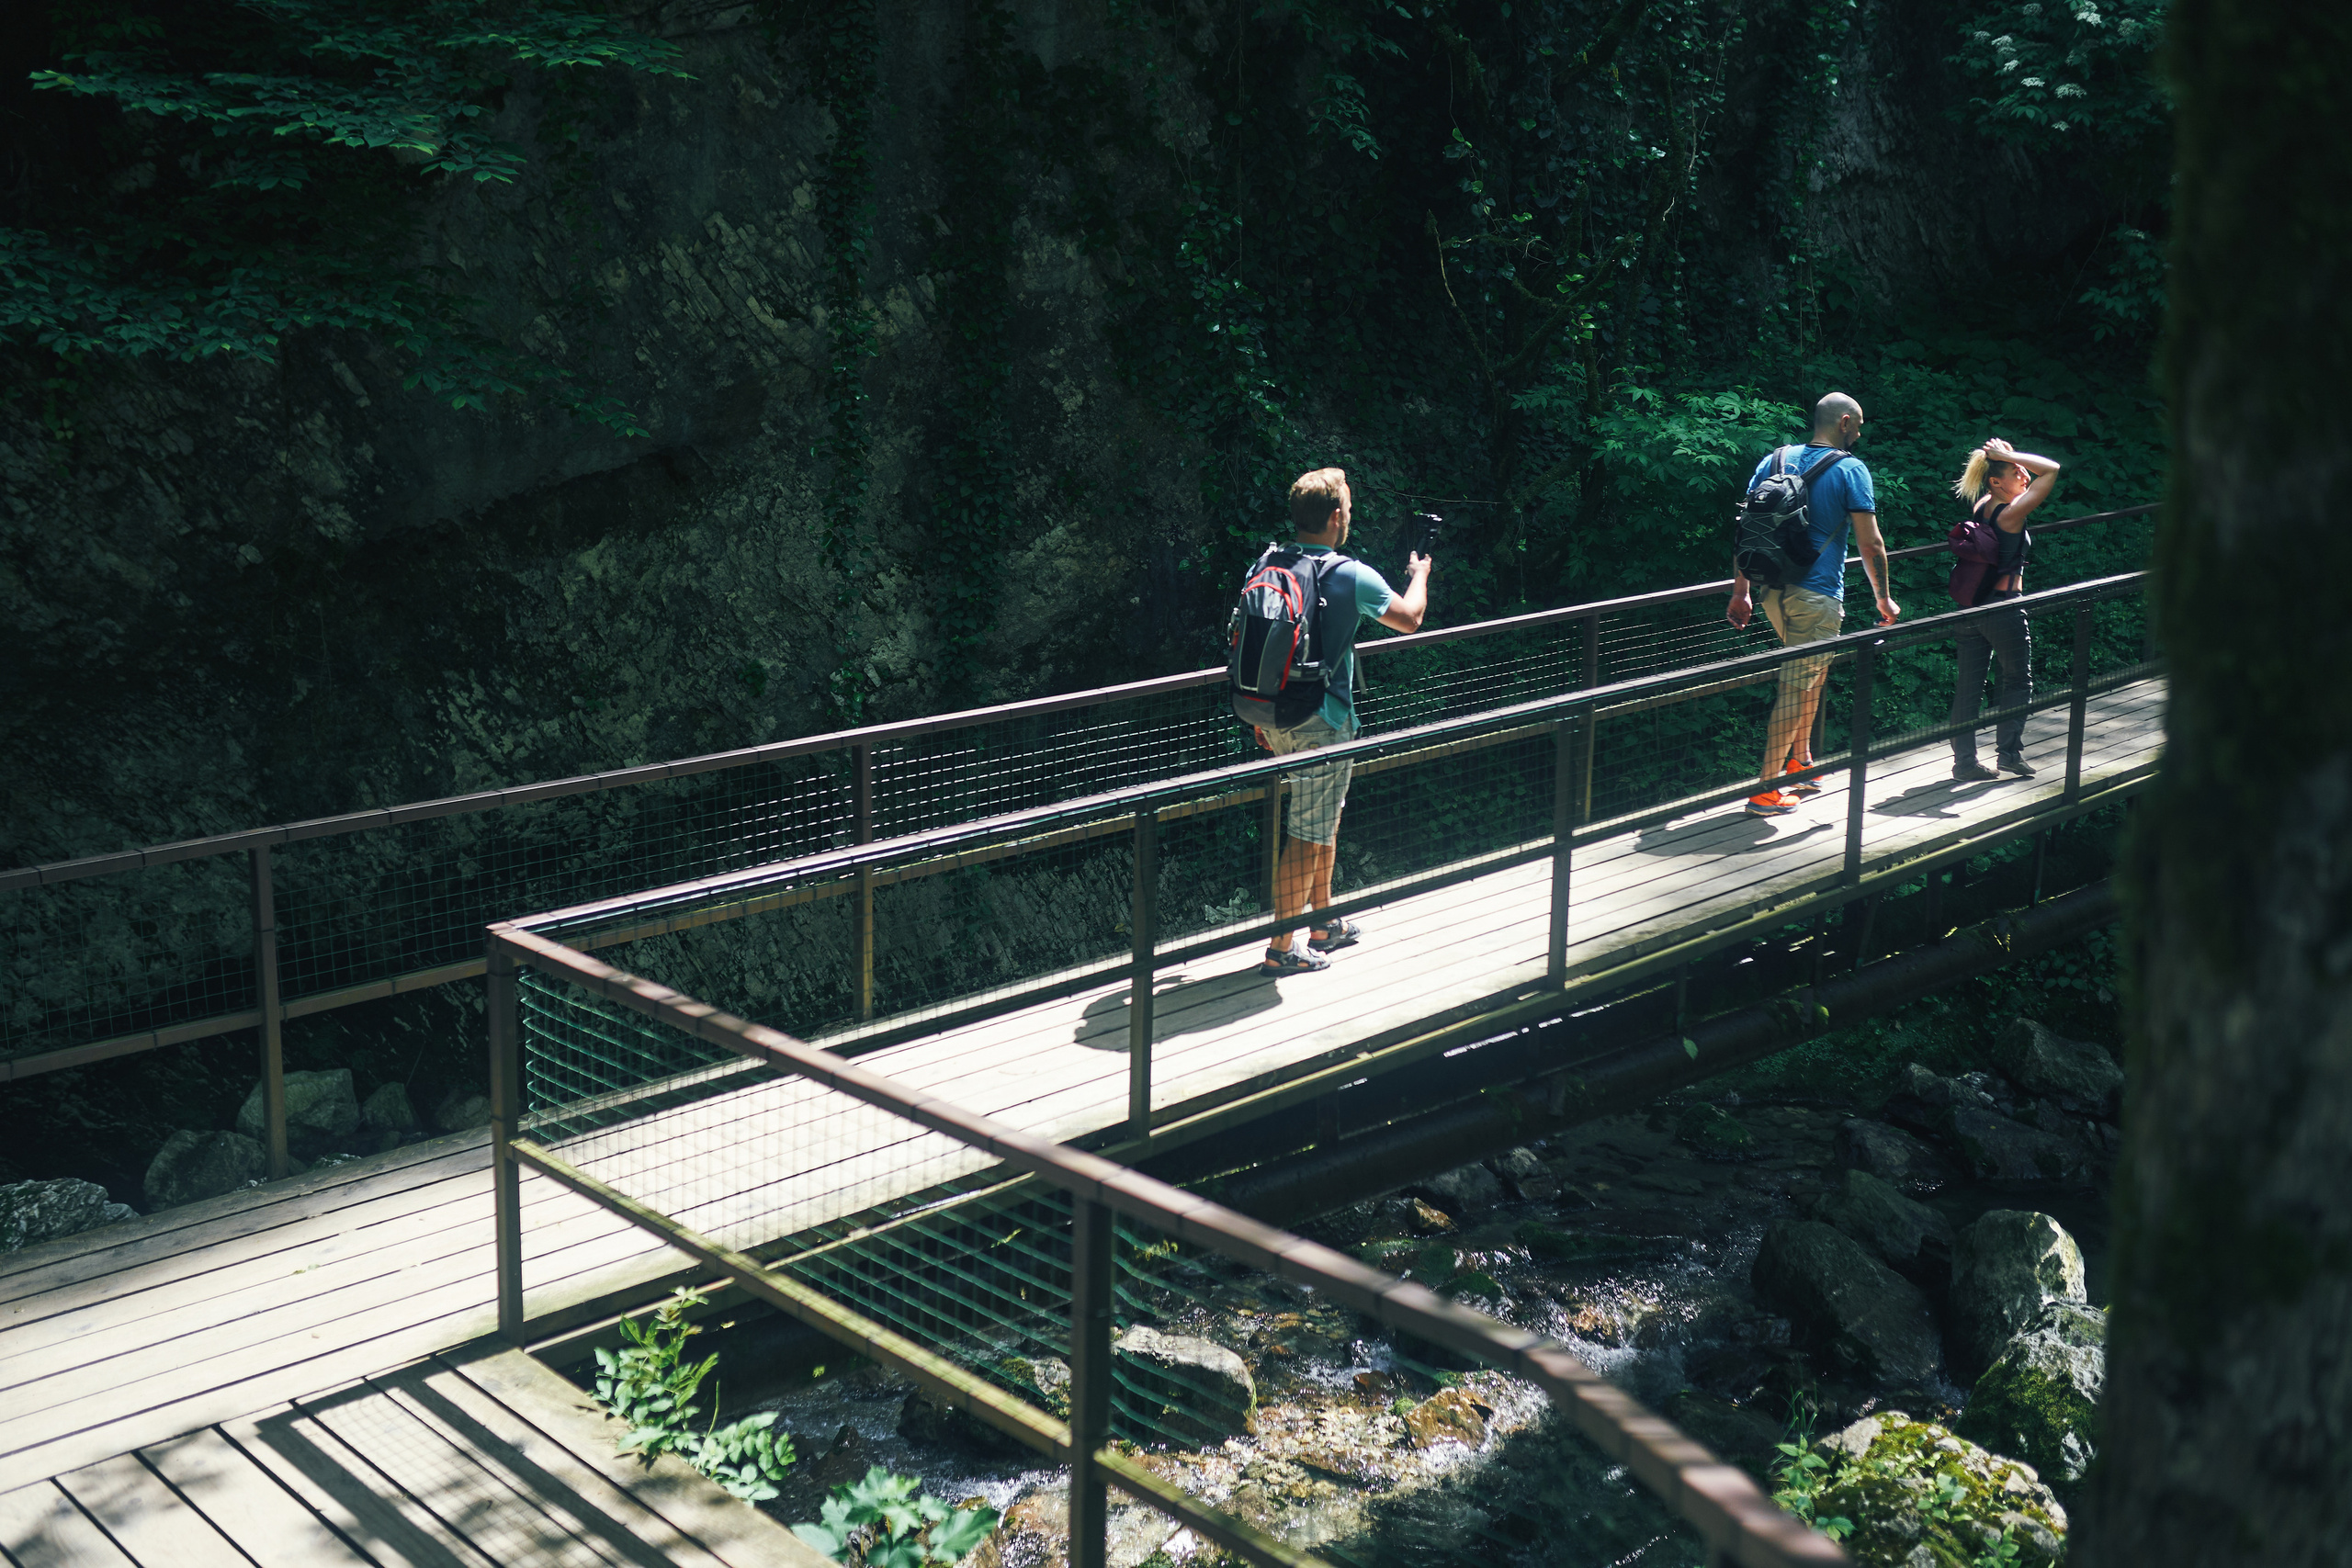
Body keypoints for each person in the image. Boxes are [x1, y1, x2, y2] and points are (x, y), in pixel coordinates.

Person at [1256, 468, 1430, 975]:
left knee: (1321, 817)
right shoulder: (1350, 573)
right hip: (1322, 721)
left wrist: (1262, 713)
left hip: (1274, 715)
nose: (1349, 518)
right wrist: (1419, 576)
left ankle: (1323, 924)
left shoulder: (1271, 562)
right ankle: (1281, 948)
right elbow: (1410, 618)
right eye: (1348, 510)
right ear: (1336, 517)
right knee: (1307, 832)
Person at [1726, 392, 1901, 817]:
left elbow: (1748, 526)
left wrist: (1740, 591)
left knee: (1810, 675)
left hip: (1770, 590)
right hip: (1817, 594)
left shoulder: (1775, 461)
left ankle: (1799, 763)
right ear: (1844, 422)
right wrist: (1884, 599)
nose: (1859, 434)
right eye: (1858, 426)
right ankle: (1766, 791)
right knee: (1796, 684)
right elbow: (1870, 542)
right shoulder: (1850, 469)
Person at [1947, 438, 2062, 779]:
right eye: (2016, 472)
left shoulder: (1983, 505)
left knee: (1969, 684)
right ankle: (2009, 754)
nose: (2025, 475)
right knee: (2017, 680)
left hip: (1970, 609)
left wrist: (2003, 458)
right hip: (2002, 609)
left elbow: (2022, 474)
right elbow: (2052, 469)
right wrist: (2006, 456)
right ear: (1996, 482)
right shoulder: (2011, 515)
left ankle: (1964, 763)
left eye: (2024, 470)